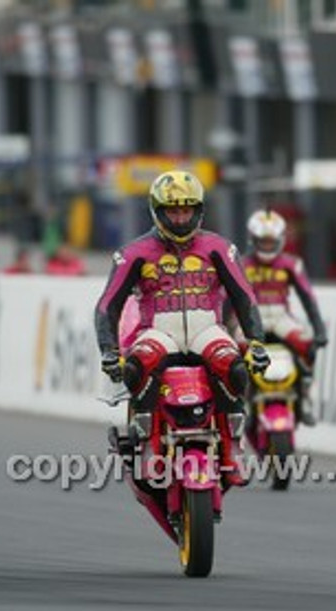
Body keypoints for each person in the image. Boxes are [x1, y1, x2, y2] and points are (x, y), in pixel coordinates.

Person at [94, 170, 269, 486]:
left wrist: (256, 341)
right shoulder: (131, 253)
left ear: (198, 210)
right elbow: (108, 305)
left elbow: (245, 297)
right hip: (159, 330)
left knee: (236, 368)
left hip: (207, 328)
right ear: (157, 211)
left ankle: (231, 445)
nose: (179, 218)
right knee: (136, 366)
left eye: (186, 210)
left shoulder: (221, 248)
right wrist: (109, 350)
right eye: (173, 211)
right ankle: (148, 445)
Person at [239, 209, 328, 426]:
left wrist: (319, 329)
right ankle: (241, 404)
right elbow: (225, 297)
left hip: (281, 316)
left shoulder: (291, 264)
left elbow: (308, 297)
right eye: (263, 241)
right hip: (250, 319)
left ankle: (305, 395)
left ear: (281, 240)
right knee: (234, 352)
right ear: (253, 239)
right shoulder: (240, 263)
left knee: (307, 345)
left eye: (272, 242)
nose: (267, 247)